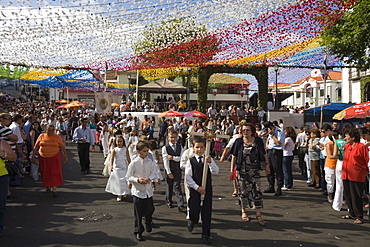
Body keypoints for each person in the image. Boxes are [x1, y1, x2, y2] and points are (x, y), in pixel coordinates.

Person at [230, 122, 270, 225]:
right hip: (242, 170)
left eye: (247, 130)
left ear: (252, 131)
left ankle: (258, 214)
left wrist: (267, 165)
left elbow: (264, 154)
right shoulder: (238, 141)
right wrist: (231, 171)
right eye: (243, 130)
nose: (245, 132)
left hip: (255, 170)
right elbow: (234, 156)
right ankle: (244, 211)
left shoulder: (258, 141)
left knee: (257, 191)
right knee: (243, 191)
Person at [185, 136, 219, 245]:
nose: (199, 150)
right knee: (194, 208)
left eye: (201, 147)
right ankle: (192, 219)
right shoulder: (191, 161)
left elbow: (215, 171)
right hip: (196, 189)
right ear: (193, 148)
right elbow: (188, 177)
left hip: (207, 189)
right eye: (197, 147)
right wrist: (196, 187)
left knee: (206, 212)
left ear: (205, 148)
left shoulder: (208, 159)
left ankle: (206, 234)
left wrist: (210, 163)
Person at [126, 141, 158, 241]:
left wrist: (150, 178)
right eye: (144, 151)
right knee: (138, 213)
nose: (146, 153)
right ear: (138, 152)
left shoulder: (150, 162)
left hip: (148, 191)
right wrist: (137, 180)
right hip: (138, 192)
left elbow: (154, 173)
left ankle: (148, 220)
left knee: (150, 209)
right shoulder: (134, 163)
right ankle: (138, 231)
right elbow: (128, 176)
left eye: (147, 151)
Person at [31, 124, 68, 197]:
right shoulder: (41, 136)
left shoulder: (57, 137)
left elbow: (62, 147)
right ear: (46, 130)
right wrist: (33, 156)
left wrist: (65, 156)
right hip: (43, 157)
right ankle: (47, 186)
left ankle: (54, 190)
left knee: (54, 172)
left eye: (52, 130)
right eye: (49, 130)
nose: (51, 131)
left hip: (54, 157)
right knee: (45, 172)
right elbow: (36, 146)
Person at [341, 128, 369, 224]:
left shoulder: (361, 147)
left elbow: (366, 160)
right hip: (346, 173)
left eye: (347, 136)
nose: (345, 138)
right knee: (348, 195)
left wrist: (365, 171)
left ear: (353, 137)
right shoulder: (347, 147)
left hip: (357, 174)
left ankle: (359, 216)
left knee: (356, 196)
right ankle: (351, 212)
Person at [162, 129, 185, 211]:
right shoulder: (165, 148)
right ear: (168, 138)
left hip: (177, 169)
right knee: (169, 186)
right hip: (169, 169)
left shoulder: (180, 147)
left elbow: (182, 158)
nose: (173, 139)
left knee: (177, 185)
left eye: (175, 137)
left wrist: (173, 158)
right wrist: (168, 172)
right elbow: (165, 161)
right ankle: (169, 200)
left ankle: (180, 204)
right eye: (171, 137)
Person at [105, 135, 131, 202]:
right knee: (118, 181)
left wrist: (131, 165)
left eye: (121, 141)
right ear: (115, 142)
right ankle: (119, 194)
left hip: (124, 166)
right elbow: (112, 158)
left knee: (124, 180)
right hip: (117, 167)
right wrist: (111, 166)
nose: (119, 143)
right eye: (118, 141)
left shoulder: (125, 149)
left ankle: (124, 192)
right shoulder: (114, 149)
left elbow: (128, 158)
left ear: (123, 142)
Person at [0, 138, 17, 237]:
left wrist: (3, 155)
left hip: (1, 177)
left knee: (1, 206)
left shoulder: (2, 143)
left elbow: (14, 157)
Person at [263, 121, 285, 196]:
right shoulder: (269, 133)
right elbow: (268, 140)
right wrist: (267, 145)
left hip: (277, 152)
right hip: (270, 151)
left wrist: (272, 135)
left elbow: (278, 143)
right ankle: (271, 185)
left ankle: (279, 187)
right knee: (269, 169)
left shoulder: (280, 132)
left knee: (277, 169)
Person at [324, 130, 339, 203]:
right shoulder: (329, 144)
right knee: (330, 182)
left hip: (338, 165)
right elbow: (330, 155)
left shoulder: (339, 144)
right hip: (330, 165)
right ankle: (330, 195)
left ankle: (338, 197)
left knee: (339, 182)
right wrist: (339, 156)